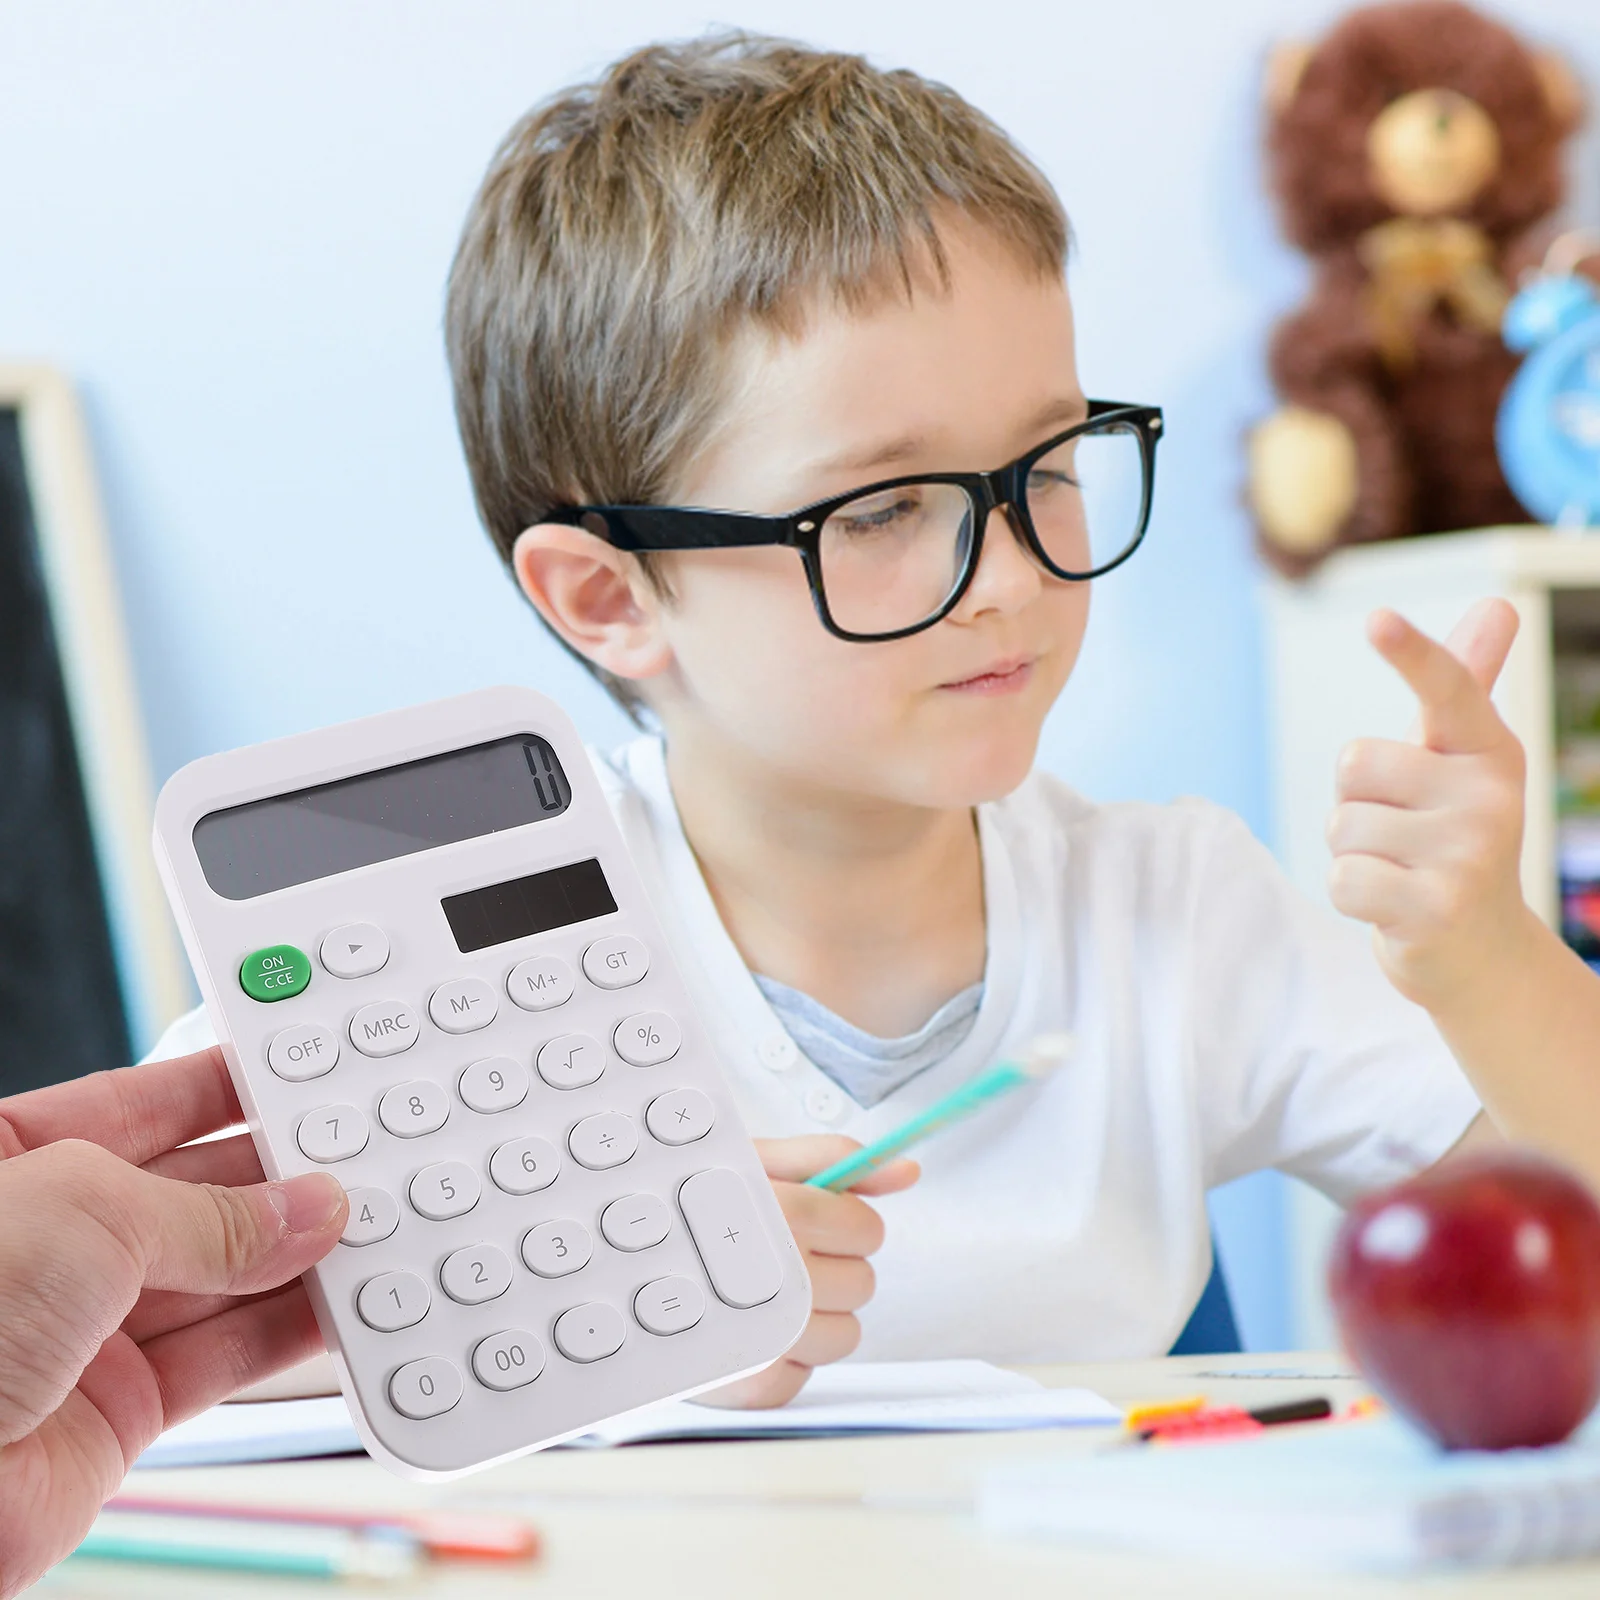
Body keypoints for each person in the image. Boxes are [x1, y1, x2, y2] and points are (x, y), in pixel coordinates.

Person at [12, 29, 1600, 1590]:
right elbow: (132, 1355)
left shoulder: (1175, 907)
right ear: (609, 598)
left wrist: (1486, 959)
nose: (1020, 573)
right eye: (888, 507)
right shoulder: (422, 966)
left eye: (1049, 465)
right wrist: (629, 1318)